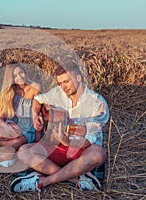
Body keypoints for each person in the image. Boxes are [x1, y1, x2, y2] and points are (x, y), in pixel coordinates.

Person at [10, 61, 109, 192]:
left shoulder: (97, 103)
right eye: (60, 83)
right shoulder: (58, 92)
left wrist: (67, 141)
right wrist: (35, 115)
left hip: (81, 152)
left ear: (78, 78)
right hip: (58, 147)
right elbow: (38, 99)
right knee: (23, 151)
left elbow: (89, 140)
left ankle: (43, 181)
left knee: (98, 154)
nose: (63, 87)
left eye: (66, 81)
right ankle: (75, 179)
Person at [0, 61, 41, 150]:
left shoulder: (34, 88)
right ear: (11, 78)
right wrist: (5, 126)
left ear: (25, 72)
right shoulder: (7, 92)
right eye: (15, 76)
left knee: (15, 144)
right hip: (10, 125)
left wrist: (37, 135)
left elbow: (36, 112)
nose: (20, 77)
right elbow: (0, 117)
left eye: (21, 72)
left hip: (26, 129)